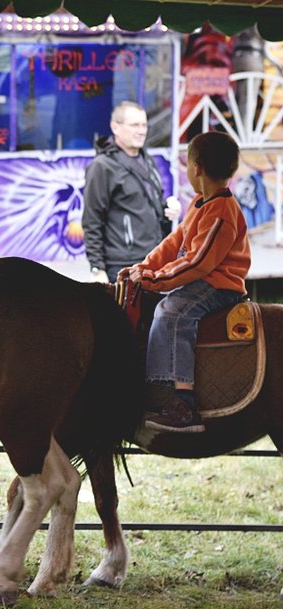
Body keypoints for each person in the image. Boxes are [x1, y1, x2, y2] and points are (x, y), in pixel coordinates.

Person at [119, 131, 250, 433]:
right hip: (203, 279)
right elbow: (174, 242)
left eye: (188, 164)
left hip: (219, 285)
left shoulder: (221, 212)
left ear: (197, 168)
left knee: (174, 312)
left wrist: (153, 279)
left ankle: (182, 401)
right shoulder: (200, 202)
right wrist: (144, 267)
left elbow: (198, 263)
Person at [82, 101, 180, 283]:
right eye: (135, 125)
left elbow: (147, 206)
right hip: (122, 266)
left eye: (144, 125)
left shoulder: (147, 159)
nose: (141, 130)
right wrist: (97, 269)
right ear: (115, 127)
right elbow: (92, 220)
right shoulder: (102, 167)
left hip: (153, 260)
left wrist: (168, 210)